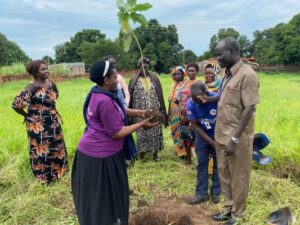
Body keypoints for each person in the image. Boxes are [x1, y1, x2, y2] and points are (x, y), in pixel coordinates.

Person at [71, 60, 158, 225]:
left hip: (94, 154)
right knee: (105, 199)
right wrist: (141, 124)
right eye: (114, 76)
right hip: (101, 159)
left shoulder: (98, 93)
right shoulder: (104, 100)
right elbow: (116, 133)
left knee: (102, 197)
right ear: (106, 80)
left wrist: (140, 112)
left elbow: (119, 109)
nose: (118, 79)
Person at [210, 37, 260, 225]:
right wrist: (209, 99)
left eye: (220, 53)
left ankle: (238, 215)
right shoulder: (227, 74)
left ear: (232, 52)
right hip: (221, 135)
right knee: (224, 173)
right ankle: (228, 209)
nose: (217, 58)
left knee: (239, 177)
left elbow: (249, 109)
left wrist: (235, 139)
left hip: (236, 139)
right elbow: (225, 100)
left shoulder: (248, 75)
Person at [11, 60, 68, 185]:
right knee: (42, 150)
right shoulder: (31, 87)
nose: (46, 71)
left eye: (46, 68)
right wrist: (27, 116)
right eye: (43, 69)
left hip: (53, 122)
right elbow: (16, 105)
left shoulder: (51, 84)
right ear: (35, 72)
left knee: (57, 146)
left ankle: (59, 173)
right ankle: (45, 179)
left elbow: (55, 98)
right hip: (38, 125)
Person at [186, 81, 221, 205]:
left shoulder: (216, 98)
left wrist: (211, 100)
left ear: (206, 92)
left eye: (200, 99)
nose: (198, 102)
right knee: (202, 164)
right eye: (195, 100)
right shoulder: (190, 104)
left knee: (219, 164)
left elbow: (225, 96)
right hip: (202, 136)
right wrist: (211, 142)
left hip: (219, 134)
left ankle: (216, 192)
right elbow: (195, 126)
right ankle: (201, 193)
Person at [128, 58, 167, 162]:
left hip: (153, 109)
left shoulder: (154, 77)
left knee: (154, 130)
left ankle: (155, 154)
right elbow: (130, 96)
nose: (144, 67)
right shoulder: (134, 79)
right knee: (141, 131)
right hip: (139, 111)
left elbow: (160, 94)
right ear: (138, 67)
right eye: (141, 65)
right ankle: (142, 154)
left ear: (149, 66)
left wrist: (162, 111)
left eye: (146, 65)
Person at [168, 66, 193, 164]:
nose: (176, 76)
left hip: (184, 112)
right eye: (174, 74)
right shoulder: (173, 86)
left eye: (178, 73)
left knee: (184, 131)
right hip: (174, 111)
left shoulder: (187, 85)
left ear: (183, 74)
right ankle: (179, 151)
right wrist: (168, 113)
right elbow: (170, 101)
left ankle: (187, 153)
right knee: (175, 130)